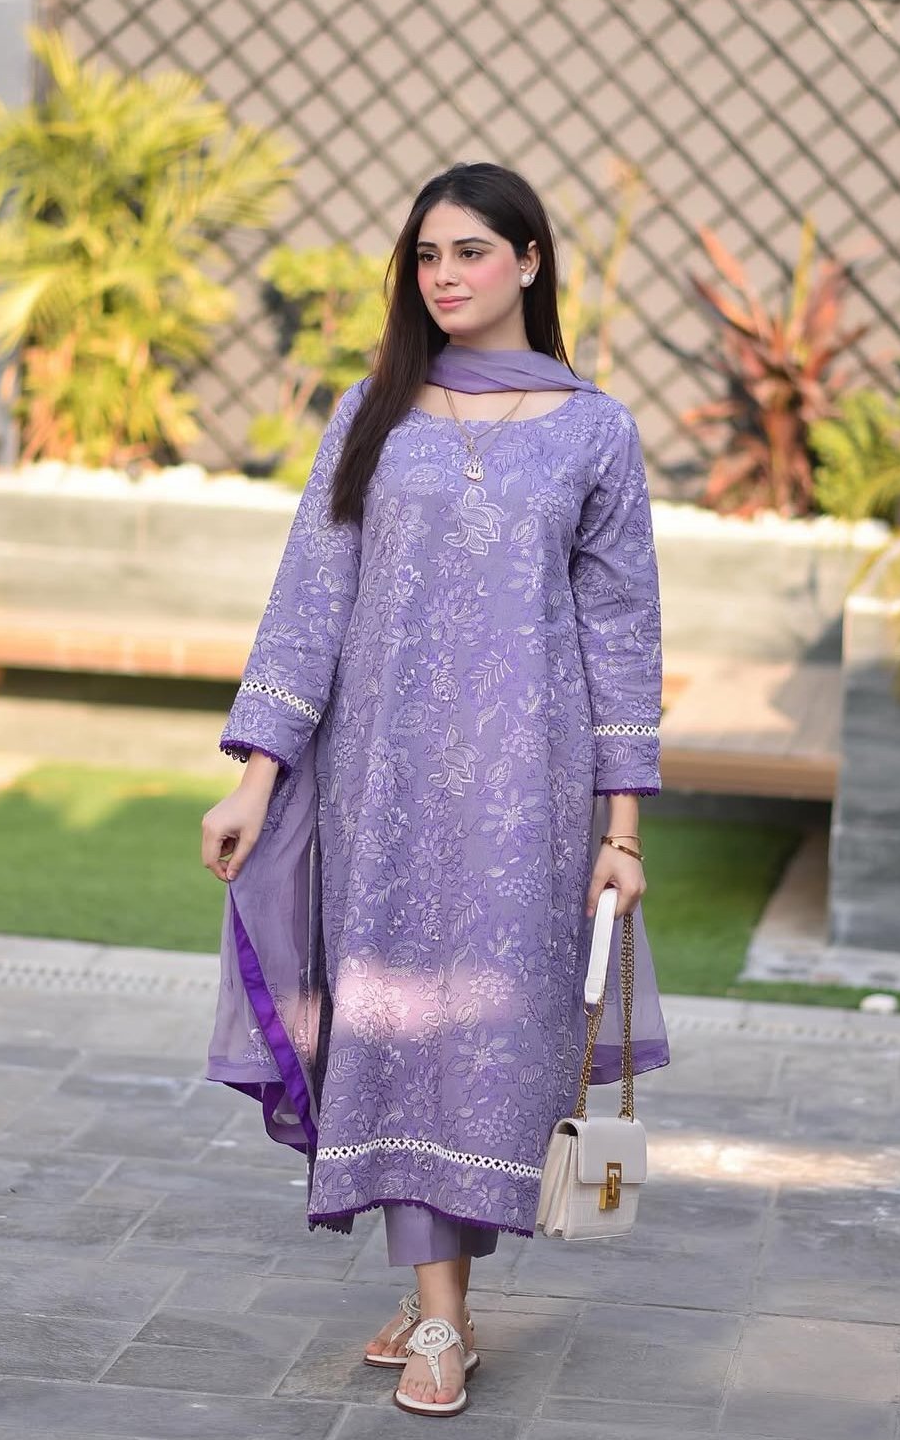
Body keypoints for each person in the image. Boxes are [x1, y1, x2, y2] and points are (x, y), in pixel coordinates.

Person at [202, 161, 669, 1418]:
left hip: (530, 794)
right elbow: (310, 601)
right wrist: (256, 779)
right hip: (382, 783)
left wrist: (622, 830)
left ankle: (436, 1294)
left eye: (470, 251)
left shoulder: (595, 430)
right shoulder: (373, 411)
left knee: (488, 1040)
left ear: (529, 260)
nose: (444, 276)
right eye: (425, 255)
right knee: (396, 1023)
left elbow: (622, 630)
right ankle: (443, 1315)